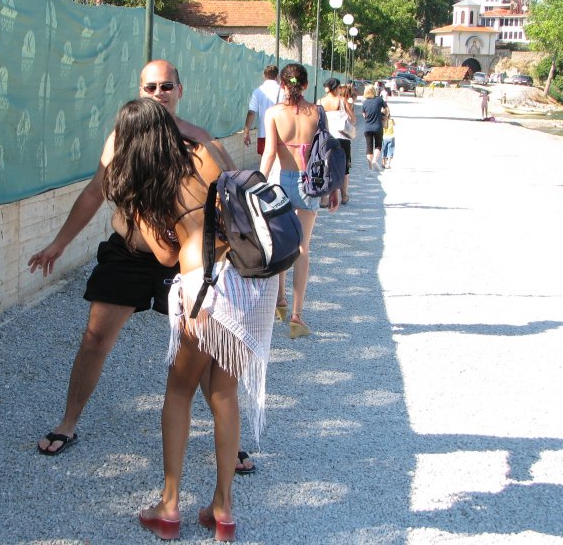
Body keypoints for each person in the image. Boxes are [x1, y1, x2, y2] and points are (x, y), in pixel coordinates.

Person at [27, 59, 257, 474]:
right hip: (130, 253)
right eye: (150, 87)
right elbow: (94, 192)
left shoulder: (198, 138)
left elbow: (229, 197)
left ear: (180, 90)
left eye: (166, 86)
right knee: (95, 338)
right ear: (140, 91)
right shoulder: (123, 136)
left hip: (184, 259)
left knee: (207, 350)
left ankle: (229, 440)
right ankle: (68, 422)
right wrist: (58, 244)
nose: (158, 94)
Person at [103, 98, 278, 542]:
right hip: (252, 281)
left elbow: (165, 255)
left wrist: (149, 225)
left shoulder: (144, 182)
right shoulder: (205, 153)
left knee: (179, 390)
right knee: (224, 391)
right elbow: (237, 193)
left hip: (206, 286)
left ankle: (169, 506)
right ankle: (223, 508)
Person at [260, 63, 340, 339]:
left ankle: (280, 300)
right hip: (310, 182)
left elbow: (270, 153)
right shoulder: (317, 112)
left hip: (282, 180)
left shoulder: (273, 113)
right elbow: (327, 151)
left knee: (282, 244)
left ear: (282, 85)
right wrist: (334, 188)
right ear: (305, 85)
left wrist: (257, 183)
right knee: (303, 248)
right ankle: (297, 316)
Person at [319, 77, 355, 205]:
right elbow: (353, 119)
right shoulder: (342, 100)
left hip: (326, 138)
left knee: (325, 166)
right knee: (344, 168)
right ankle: (344, 196)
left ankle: (324, 199)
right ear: (336, 88)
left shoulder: (320, 102)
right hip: (342, 137)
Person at [242, 65, 282, 154]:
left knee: (265, 159)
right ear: (277, 76)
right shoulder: (283, 91)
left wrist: (246, 132)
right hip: (280, 134)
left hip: (263, 133)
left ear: (264, 75)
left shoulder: (258, 91)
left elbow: (251, 112)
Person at [361, 84, 388, 170]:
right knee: (378, 145)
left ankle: (370, 166)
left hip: (367, 128)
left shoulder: (365, 102)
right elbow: (387, 108)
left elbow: (364, 115)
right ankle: (375, 160)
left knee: (369, 147)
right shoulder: (379, 99)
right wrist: (384, 115)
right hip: (378, 126)